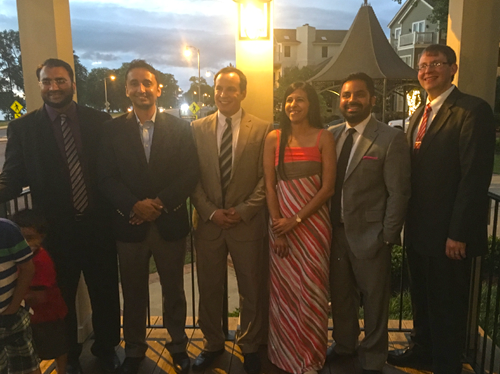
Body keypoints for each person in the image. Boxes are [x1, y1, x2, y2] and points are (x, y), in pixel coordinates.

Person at [0, 58, 120, 374]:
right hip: (56, 231)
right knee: (61, 296)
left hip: (99, 225)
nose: (54, 87)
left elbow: (114, 170)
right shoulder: (23, 128)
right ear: (39, 85)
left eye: (60, 80)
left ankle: (108, 350)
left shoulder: (100, 121)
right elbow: (11, 175)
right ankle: (70, 356)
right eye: (47, 81)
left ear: (72, 83)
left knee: (105, 291)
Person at [387, 45, 496, 374]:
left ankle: (447, 365)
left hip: (450, 236)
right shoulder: (420, 113)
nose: (427, 70)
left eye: (436, 63)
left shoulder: (472, 110)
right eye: (422, 65)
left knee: (447, 305)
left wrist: (458, 234)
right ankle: (422, 352)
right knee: (423, 299)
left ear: (453, 69)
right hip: (419, 231)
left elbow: (473, 177)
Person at [98, 59, 199, 374]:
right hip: (129, 225)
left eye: (146, 83)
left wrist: (158, 203)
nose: (140, 89)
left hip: (169, 224)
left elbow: (189, 172)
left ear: (158, 88)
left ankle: (179, 346)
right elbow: (106, 177)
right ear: (126, 90)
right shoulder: (111, 130)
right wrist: (134, 205)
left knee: (174, 291)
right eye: (133, 83)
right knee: (133, 292)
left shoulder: (181, 128)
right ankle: (135, 350)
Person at [326, 72, 411, 374]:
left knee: (375, 300)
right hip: (334, 234)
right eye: (346, 95)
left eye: (358, 94)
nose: (351, 100)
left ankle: (374, 357)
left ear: (372, 100)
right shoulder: (332, 134)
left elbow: (398, 191)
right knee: (341, 295)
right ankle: (345, 345)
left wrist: (387, 235)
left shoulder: (390, 138)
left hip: (372, 236)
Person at [190, 67, 272, 374]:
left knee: (251, 287)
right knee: (209, 288)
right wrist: (212, 211)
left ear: (243, 92)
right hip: (209, 224)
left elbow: (267, 179)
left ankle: (250, 345)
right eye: (219, 88)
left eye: (230, 89)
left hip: (247, 224)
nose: (223, 94)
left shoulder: (263, 129)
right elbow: (192, 178)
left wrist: (243, 210)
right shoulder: (197, 128)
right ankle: (212, 343)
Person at [263, 81, 336, 374]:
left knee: (313, 289)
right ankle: (284, 354)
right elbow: (270, 186)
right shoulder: (274, 138)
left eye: (301, 100)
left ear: (311, 105)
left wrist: (295, 221)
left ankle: (310, 356)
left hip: (314, 228)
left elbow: (328, 188)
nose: (294, 105)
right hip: (280, 227)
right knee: (284, 292)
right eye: (289, 100)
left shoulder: (324, 137)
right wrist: (278, 227)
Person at [12, 209, 68, 374]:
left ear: (41, 238)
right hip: (33, 317)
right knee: (33, 352)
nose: (24, 243)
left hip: (49, 315)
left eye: (29, 238)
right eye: (20, 238)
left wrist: (14, 299)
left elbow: (39, 296)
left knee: (57, 347)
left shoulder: (41, 261)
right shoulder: (21, 258)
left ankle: (62, 370)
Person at [0, 218, 40, 374]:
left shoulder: (7, 229)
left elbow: (28, 269)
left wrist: (14, 306)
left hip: (14, 314)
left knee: (27, 364)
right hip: (13, 311)